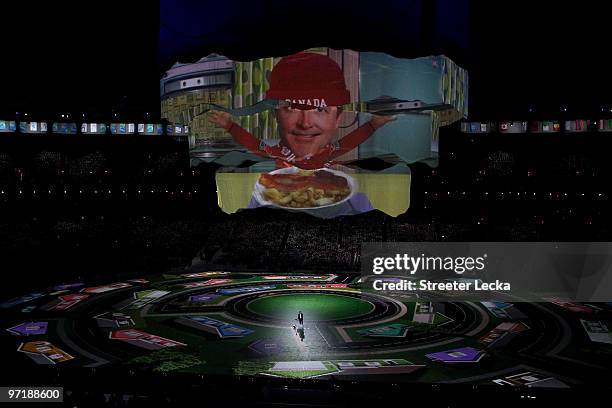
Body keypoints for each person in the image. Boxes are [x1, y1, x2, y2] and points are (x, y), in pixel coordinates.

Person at [209, 52, 395, 169]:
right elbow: (254, 145)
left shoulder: (329, 154)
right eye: (292, 107)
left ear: (338, 118)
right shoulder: (277, 155)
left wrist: (373, 125)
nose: (305, 123)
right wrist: (229, 126)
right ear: (276, 115)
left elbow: (350, 141)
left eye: (320, 109)